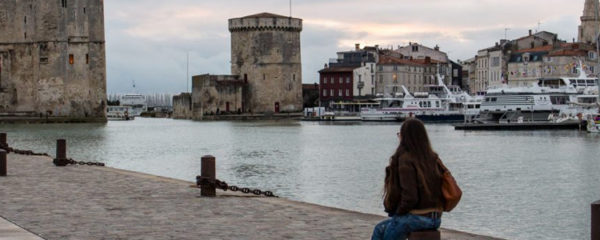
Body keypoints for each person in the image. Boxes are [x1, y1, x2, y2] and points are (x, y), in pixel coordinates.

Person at [372, 118, 444, 240]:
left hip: (416, 218)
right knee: (380, 229)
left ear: (405, 137)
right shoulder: (432, 158)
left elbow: (410, 197)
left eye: (400, 134)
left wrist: (399, 212)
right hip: (436, 218)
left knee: (381, 230)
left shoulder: (406, 159)